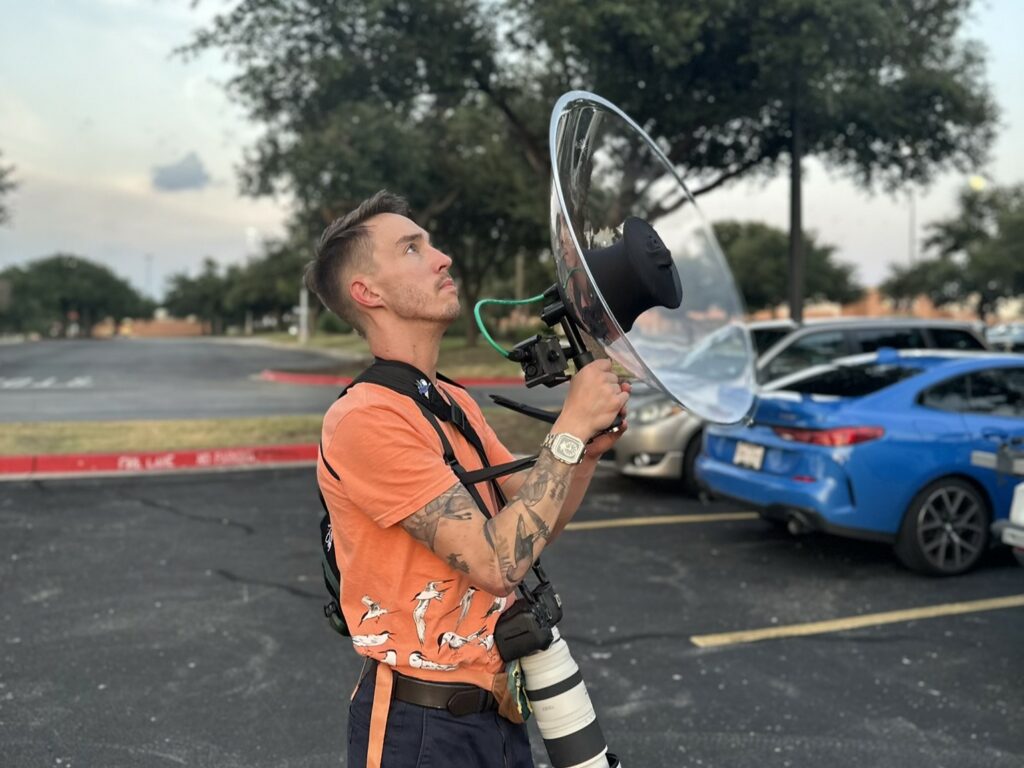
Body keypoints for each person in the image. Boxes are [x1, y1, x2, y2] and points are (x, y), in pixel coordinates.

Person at [304, 190, 630, 768]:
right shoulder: (365, 418)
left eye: (430, 243)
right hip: (421, 729)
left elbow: (524, 534)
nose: (442, 257)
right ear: (368, 293)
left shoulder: (450, 400)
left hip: (497, 712)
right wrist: (570, 426)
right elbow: (493, 564)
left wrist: (583, 453)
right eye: (412, 248)